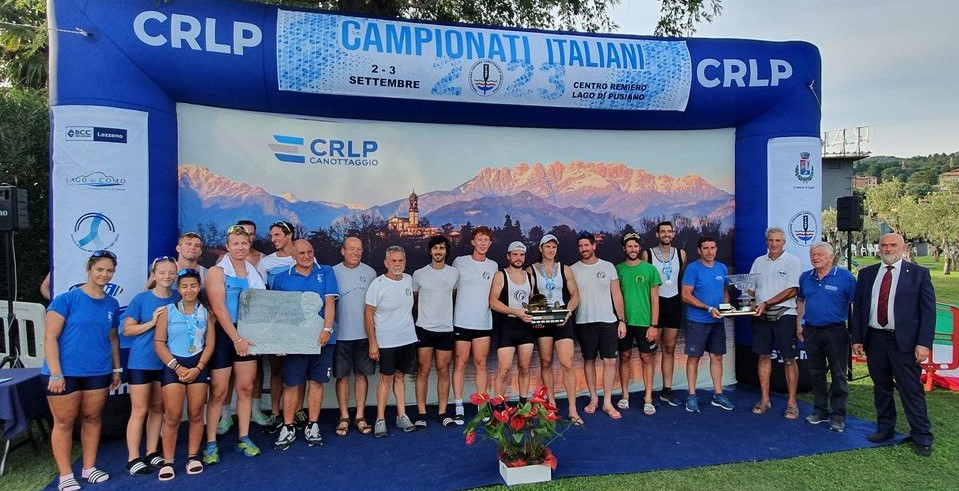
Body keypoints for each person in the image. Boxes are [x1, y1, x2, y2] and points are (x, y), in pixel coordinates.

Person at [42, 250, 122, 491]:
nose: (104, 274)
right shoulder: (66, 300)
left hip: (97, 370)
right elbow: (49, 338)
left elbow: (113, 338)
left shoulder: (112, 303)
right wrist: (56, 372)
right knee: (64, 422)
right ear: (89, 269)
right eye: (100, 269)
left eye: (109, 270)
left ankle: (89, 468)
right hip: (65, 373)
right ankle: (65, 475)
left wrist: (116, 368)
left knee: (92, 418)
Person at [852, 233, 935, 456]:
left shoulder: (918, 274)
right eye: (884, 245)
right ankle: (885, 429)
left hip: (905, 342)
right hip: (875, 339)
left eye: (893, 245)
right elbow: (859, 308)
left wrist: (924, 343)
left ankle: (922, 436)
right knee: (881, 387)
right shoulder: (867, 274)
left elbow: (928, 312)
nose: (888, 249)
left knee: (910, 389)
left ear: (903, 247)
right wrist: (857, 338)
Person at [203, 224, 267, 464]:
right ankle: (210, 443)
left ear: (249, 245)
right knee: (219, 392)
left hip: (247, 335)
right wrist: (236, 338)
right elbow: (219, 308)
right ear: (228, 246)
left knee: (245, 389)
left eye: (244, 243)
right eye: (235, 244)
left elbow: (263, 307)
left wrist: (273, 339)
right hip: (223, 336)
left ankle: (244, 437)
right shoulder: (216, 272)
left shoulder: (254, 273)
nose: (240, 247)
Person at [271, 240, 339, 450]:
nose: (307, 256)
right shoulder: (282, 278)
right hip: (294, 342)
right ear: (292, 254)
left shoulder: (326, 272)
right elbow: (278, 312)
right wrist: (280, 340)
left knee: (316, 382)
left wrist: (326, 330)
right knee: (291, 383)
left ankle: (313, 424)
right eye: (302, 253)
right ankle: (288, 426)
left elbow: (329, 302)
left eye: (310, 252)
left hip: (322, 339)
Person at [153, 268, 215, 480]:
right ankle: (168, 461)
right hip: (174, 366)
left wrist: (198, 368)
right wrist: (177, 367)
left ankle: (192, 457)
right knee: (172, 416)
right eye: (185, 286)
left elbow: (210, 344)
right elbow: (159, 343)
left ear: (199, 288)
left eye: (193, 286)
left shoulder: (206, 312)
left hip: (198, 365)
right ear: (178, 288)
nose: (189, 290)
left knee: (197, 413)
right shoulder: (167, 311)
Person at [121, 256, 180, 475]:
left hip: (166, 362)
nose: (167, 276)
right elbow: (127, 330)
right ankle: (133, 457)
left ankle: (152, 451)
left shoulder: (178, 297)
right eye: (162, 272)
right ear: (154, 275)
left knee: (158, 408)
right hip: (142, 361)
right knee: (139, 409)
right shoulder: (141, 299)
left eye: (171, 273)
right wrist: (152, 323)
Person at [796, 242, 856, 432]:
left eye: (820, 254)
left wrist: (856, 333)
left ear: (831, 257)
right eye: (813, 254)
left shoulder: (845, 277)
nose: (815, 257)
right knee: (816, 372)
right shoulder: (806, 277)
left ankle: (838, 415)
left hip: (836, 331)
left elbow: (856, 304)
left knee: (839, 374)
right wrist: (799, 324)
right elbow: (801, 301)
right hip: (811, 330)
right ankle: (820, 410)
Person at [571, 231, 627, 420]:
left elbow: (617, 294)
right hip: (584, 321)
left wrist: (621, 320)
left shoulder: (608, 267)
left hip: (608, 321)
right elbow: (572, 297)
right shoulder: (573, 269)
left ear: (594, 246)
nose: (583, 249)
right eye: (580, 246)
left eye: (586, 245)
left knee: (610, 361)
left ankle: (608, 402)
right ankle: (593, 398)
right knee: (589, 360)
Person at [528, 234, 582, 424]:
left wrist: (568, 311)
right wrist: (535, 316)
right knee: (546, 362)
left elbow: (575, 295)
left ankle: (573, 410)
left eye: (554, 247)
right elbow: (528, 296)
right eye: (547, 247)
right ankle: (551, 404)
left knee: (567, 363)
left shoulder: (564, 269)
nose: (551, 250)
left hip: (561, 318)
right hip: (543, 321)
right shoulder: (531, 270)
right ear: (541, 248)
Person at [365, 246, 418, 438]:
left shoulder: (409, 280)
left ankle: (401, 415)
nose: (397, 264)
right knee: (385, 379)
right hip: (386, 341)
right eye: (394, 261)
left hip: (407, 339)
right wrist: (373, 341)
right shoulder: (377, 284)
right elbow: (368, 314)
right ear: (386, 263)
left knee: (399, 376)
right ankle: (380, 419)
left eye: (401, 261)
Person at [748, 227, 801, 419]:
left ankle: (792, 403)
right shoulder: (758, 262)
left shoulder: (792, 261)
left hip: (784, 314)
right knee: (763, 356)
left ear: (784, 242)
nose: (774, 244)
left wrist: (767, 303)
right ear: (766, 242)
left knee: (788, 359)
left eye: (777, 241)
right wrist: (750, 302)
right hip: (761, 316)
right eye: (770, 240)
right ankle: (764, 399)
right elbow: (751, 288)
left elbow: (792, 290)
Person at [680, 237, 734, 412]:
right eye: (706, 248)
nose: (710, 251)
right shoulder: (692, 269)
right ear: (699, 250)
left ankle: (718, 395)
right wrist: (708, 307)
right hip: (697, 320)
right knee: (694, 358)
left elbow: (724, 290)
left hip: (717, 321)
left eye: (713, 247)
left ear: (717, 249)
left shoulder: (722, 268)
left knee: (717, 357)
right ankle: (692, 395)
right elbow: (686, 295)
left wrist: (725, 307)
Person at [451, 226, 499, 424]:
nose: (482, 243)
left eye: (486, 240)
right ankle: (459, 405)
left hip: (483, 323)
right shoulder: (459, 262)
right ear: (473, 242)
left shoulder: (493, 266)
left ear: (490, 243)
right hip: (462, 322)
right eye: (479, 239)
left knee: (481, 364)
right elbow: (452, 291)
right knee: (460, 364)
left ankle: (482, 405)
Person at [254, 220, 298, 430]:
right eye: (272, 236)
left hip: (298, 322)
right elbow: (261, 293)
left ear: (289, 235)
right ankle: (274, 411)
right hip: (275, 322)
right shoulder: (266, 262)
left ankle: (297, 410)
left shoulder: (304, 255)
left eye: (278, 235)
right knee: (277, 368)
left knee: (299, 367)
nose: (274, 239)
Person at [411, 235, 459, 428]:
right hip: (424, 328)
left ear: (446, 251)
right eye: (435, 248)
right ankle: (421, 413)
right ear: (430, 252)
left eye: (442, 248)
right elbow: (413, 300)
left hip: (446, 329)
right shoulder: (419, 274)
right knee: (423, 371)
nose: (438, 251)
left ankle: (442, 413)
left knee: (443, 371)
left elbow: (454, 296)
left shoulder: (454, 273)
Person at [332, 236, 378, 436]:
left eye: (359, 249)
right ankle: (343, 416)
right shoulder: (332, 272)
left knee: (362, 375)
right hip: (340, 334)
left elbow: (374, 307)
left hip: (364, 335)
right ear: (343, 251)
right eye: (351, 249)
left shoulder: (370, 272)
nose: (355, 253)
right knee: (342, 377)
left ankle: (360, 416)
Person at [616, 233, 661, 415]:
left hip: (645, 323)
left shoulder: (650, 269)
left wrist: (654, 325)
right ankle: (625, 395)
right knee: (624, 357)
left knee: (646, 358)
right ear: (624, 249)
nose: (632, 249)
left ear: (639, 248)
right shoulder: (617, 269)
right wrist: (620, 321)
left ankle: (648, 397)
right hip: (624, 323)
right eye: (629, 246)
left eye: (635, 246)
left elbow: (656, 300)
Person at [644, 221, 686, 406]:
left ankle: (666, 390)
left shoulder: (681, 254)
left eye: (669, 231)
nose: (666, 234)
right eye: (663, 231)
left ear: (674, 234)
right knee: (651, 351)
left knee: (669, 348)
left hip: (674, 305)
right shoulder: (648, 254)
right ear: (657, 234)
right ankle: (648, 391)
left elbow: (680, 277)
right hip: (655, 306)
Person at [489, 241, 536, 402]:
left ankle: (523, 404)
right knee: (504, 370)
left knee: (525, 367)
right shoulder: (500, 275)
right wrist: (515, 312)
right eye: (515, 254)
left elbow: (533, 304)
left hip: (526, 328)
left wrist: (538, 318)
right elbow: (493, 302)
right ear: (508, 256)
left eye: (521, 255)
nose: (518, 258)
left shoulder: (530, 277)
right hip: (507, 327)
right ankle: (498, 405)